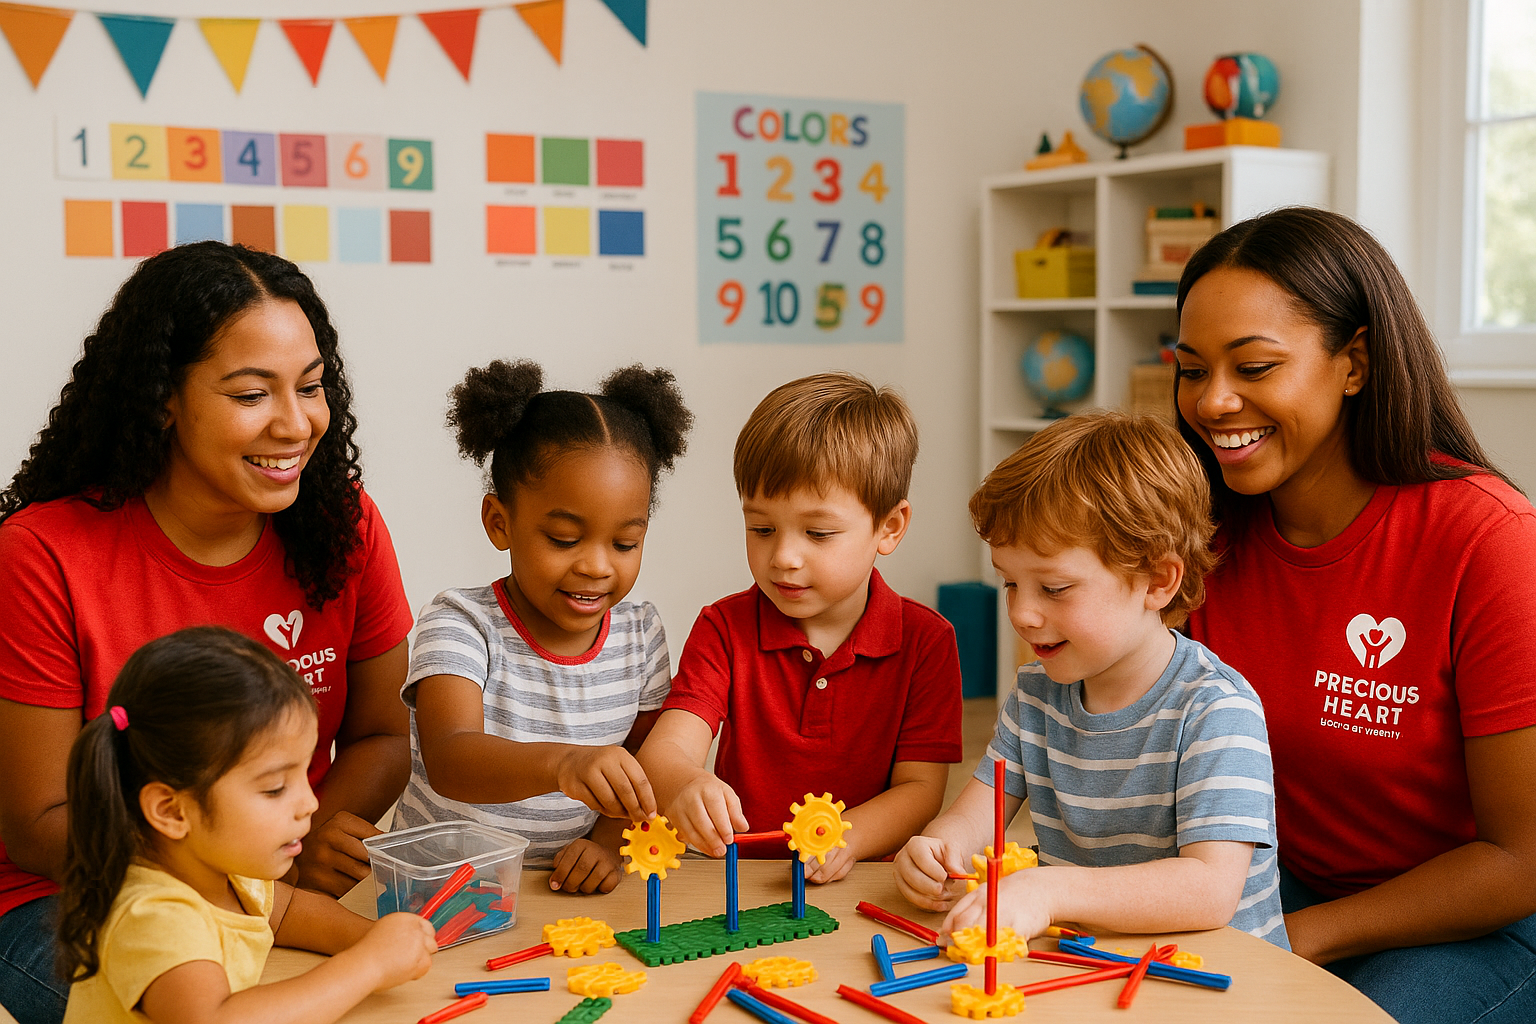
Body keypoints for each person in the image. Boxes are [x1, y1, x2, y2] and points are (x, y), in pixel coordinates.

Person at [0, 243, 414, 1024]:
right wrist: (235, 859)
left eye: (311, 386)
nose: (295, 423)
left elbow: (384, 734)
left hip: (261, 878)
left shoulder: (343, 525)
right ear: (164, 398)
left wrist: (298, 839)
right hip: (70, 894)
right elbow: (38, 822)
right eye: (252, 394)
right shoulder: (42, 553)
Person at [1176, 207, 1536, 1022]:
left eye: (1254, 366)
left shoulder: (1491, 540)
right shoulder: (1204, 535)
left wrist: (1295, 938)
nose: (1214, 401)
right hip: (1282, 884)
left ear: (1355, 363)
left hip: (1478, 922)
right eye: (1192, 370)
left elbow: (1522, 861)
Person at [894, 413, 1288, 947]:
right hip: (1096, 964)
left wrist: (1049, 891)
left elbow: (1209, 889)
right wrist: (937, 850)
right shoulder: (1035, 696)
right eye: (1010, 583)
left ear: (1157, 581)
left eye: (1054, 588)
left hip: (1222, 975)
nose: (1022, 614)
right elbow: (972, 822)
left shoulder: (1216, 709)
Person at [637, 372, 963, 882]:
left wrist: (845, 839)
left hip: (859, 881)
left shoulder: (927, 641)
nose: (783, 557)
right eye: (762, 528)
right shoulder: (724, 627)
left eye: (818, 532)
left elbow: (920, 789)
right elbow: (667, 749)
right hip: (740, 885)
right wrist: (683, 784)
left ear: (889, 527)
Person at [393, 360, 692, 895]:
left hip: (555, 893)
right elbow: (451, 757)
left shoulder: (640, 635)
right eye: (563, 539)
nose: (597, 566)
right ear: (499, 522)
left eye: (624, 543)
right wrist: (564, 763)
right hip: (442, 889)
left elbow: (644, 765)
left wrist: (607, 842)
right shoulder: (461, 622)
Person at [57, 627, 434, 1023]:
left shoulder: (223, 870)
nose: (309, 803)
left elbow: (289, 912)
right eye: (275, 788)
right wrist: (369, 964)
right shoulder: (153, 915)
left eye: (303, 774)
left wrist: (378, 937)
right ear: (172, 812)